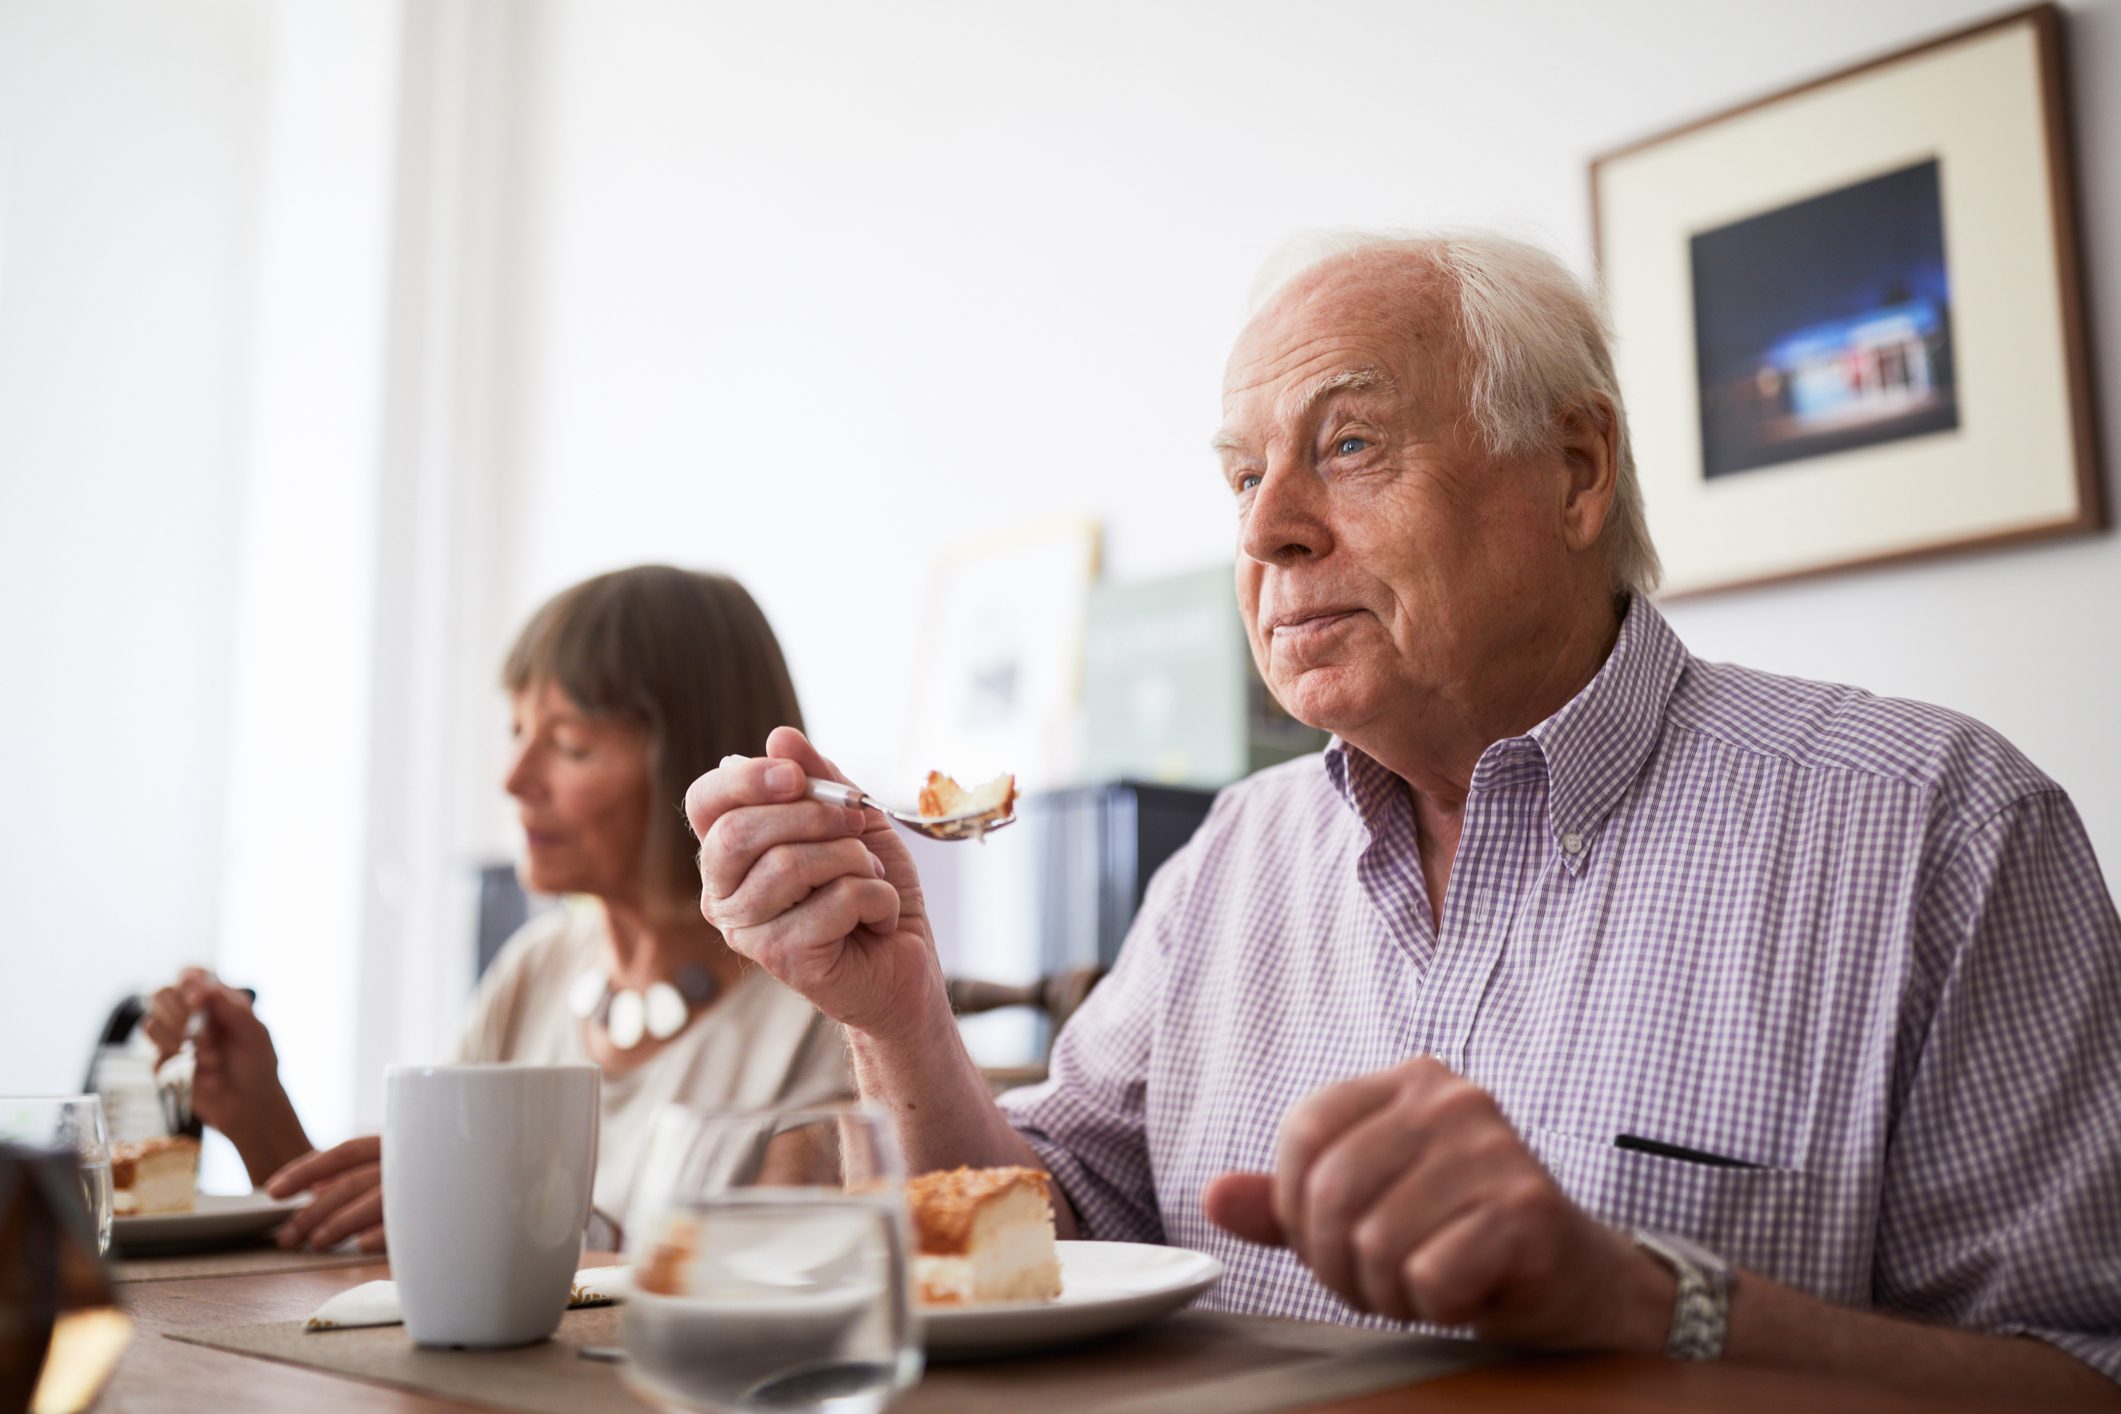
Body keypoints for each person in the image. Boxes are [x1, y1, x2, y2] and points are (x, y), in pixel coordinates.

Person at [686, 234, 2121, 1399]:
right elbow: (1015, 1252)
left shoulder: (1935, 828)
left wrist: (1638, 1298)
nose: (1264, 532)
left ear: (1574, 471)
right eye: (1245, 474)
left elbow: (2079, 1372)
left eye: (1350, 442)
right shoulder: (1229, 864)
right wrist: (896, 1014)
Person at [147, 566, 851, 1250]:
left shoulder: (828, 1010)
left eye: (571, 745)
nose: (511, 778)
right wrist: (259, 1116)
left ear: (701, 769)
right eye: (516, 731)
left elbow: (775, 1283)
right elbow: (414, 1235)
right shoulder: (539, 967)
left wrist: (497, 1212)